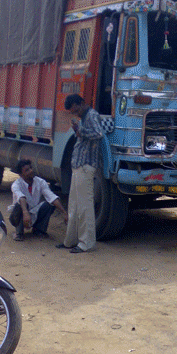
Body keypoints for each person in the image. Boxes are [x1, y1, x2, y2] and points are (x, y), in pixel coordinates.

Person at [56, 94, 103, 253]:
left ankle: (86, 243)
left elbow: (98, 134)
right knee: (74, 206)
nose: (75, 113)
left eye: (76, 110)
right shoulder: (85, 117)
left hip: (85, 166)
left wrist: (80, 130)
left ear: (82, 103)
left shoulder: (91, 115)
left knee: (84, 207)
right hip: (79, 167)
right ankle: (71, 241)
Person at [9, 159, 68, 242]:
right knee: (19, 205)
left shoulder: (40, 182)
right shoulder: (16, 185)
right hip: (19, 214)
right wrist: (25, 213)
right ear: (21, 174)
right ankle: (19, 233)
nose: (31, 171)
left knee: (49, 205)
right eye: (27, 170)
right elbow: (21, 198)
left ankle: (39, 230)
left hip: (33, 212)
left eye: (30, 168)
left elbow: (51, 197)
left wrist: (64, 212)